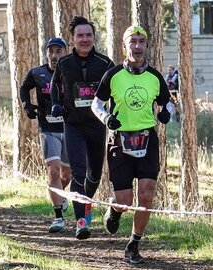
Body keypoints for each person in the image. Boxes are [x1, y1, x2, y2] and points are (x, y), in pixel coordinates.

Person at [91, 25, 171, 264]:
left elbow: (167, 103)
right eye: (132, 42)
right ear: (124, 47)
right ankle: (114, 210)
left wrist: (166, 113)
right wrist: (107, 119)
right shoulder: (113, 75)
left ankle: (133, 244)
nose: (137, 47)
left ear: (146, 46)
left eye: (141, 42)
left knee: (146, 195)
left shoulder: (155, 77)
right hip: (120, 141)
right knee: (125, 201)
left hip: (147, 139)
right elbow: (96, 105)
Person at [50, 16, 114, 240]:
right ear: (73, 39)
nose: (84, 39)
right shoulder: (65, 63)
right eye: (80, 36)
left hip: (97, 126)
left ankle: (85, 203)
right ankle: (80, 221)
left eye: (88, 35)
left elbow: (115, 91)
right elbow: (55, 85)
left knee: (94, 174)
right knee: (78, 171)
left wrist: (112, 116)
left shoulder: (105, 64)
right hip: (73, 124)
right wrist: (56, 104)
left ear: (93, 37)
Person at [19, 38, 70, 232]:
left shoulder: (70, 71)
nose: (55, 55)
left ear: (65, 52)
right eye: (52, 52)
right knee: (53, 171)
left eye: (59, 51)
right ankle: (58, 216)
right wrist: (27, 105)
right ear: (47, 53)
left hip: (69, 129)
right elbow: (24, 88)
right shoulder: (37, 73)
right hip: (48, 128)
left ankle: (60, 194)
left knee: (66, 175)